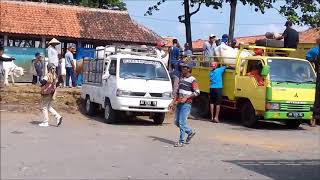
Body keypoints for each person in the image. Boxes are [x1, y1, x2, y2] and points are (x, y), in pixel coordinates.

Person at [169, 63, 199, 147]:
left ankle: (181, 141)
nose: (182, 69)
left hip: (186, 104)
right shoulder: (181, 79)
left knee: (182, 123)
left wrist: (187, 97)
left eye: (185, 67)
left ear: (189, 69)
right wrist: (172, 102)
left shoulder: (193, 80)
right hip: (179, 103)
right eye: (182, 67)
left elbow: (197, 92)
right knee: (177, 122)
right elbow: (178, 93)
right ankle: (190, 132)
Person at [39, 63, 63, 127]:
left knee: (44, 107)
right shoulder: (55, 75)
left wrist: (40, 80)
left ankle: (45, 122)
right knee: (49, 107)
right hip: (52, 93)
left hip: (46, 93)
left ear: (48, 68)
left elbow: (43, 82)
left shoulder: (48, 75)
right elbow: (57, 84)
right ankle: (58, 116)